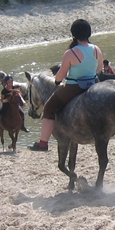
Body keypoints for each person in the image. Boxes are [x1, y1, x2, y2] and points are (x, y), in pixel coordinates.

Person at [29, 19, 103, 151]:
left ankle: (43, 143)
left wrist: (57, 82)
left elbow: (61, 74)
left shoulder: (71, 53)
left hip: (74, 87)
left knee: (49, 108)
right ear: (89, 33)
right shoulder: (96, 49)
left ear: (74, 34)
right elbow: (99, 68)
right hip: (92, 84)